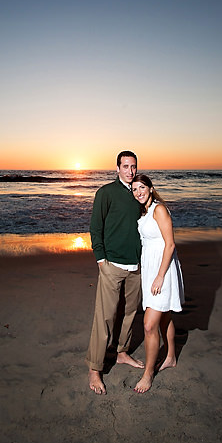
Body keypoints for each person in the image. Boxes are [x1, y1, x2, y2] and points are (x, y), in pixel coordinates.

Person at [86, 151, 144, 394]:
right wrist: (100, 258)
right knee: (106, 317)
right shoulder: (106, 192)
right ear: (117, 168)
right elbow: (95, 227)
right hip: (111, 265)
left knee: (130, 313)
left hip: (137, 267)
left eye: (133, 167)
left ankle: (121, 352)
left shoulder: (140, 192)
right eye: (126, 166)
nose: (130, 171)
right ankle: (94, 369)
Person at [131, 173, 184, 393]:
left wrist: (160, 275)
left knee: (149, 324)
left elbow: (170, 245)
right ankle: (170, 356)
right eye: (134, 189)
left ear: (151, 188)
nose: (138, 192)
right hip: (151, 269)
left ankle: (148, 373)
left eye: (142, 187)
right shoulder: (144, 212)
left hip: (162, 270)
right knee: (165, 317)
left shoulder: (159, 209)